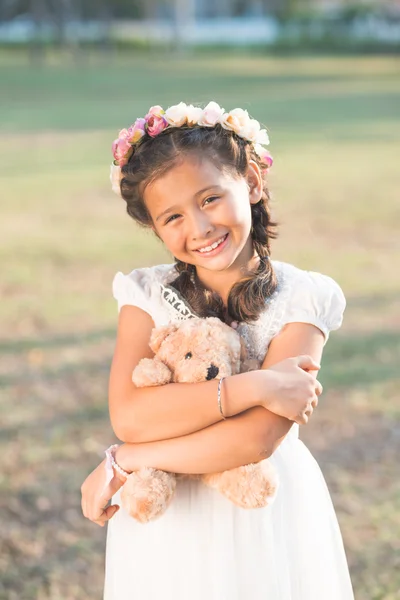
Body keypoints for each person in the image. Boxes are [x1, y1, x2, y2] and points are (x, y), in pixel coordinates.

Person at [81, 102, 354, 599]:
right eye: (173, 217)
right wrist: (260, 384)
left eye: (210, 198)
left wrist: (126, 461)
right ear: (155, 228)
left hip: (265, 514)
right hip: (168, 522)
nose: (199, 228)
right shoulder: (145, 297)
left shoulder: (303, 297)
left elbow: (255, 441)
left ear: (250, 182)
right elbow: (132, 415)